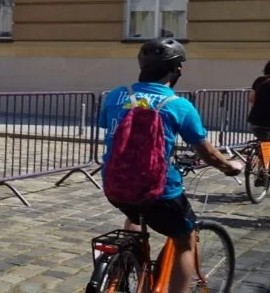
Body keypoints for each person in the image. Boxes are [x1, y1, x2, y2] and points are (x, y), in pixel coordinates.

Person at [98, 38, 244, 293]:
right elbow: (208, 152)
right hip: (160, 191)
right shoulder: (178, 105)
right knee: (185, 241)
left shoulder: (115, 95)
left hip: (115, 185)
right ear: (177, 70)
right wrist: (229, 166)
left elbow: (107, 127)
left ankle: (131, 269)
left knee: (134, 218)